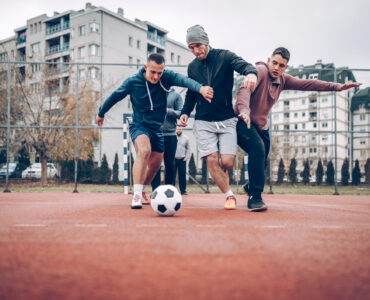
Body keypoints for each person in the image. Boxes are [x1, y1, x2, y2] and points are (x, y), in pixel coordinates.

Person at [235, 47, 362, 212]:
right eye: (274, 63)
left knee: (262, 159)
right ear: (268, 61)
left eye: (281, 65)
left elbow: (309, 84)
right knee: (257, 150)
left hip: (260, 126)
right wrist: (244, 110)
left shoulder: (283, 80)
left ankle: (251, 186)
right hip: (242, 121)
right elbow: (244, 91)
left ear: (285, 67)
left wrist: (337, 87)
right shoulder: (260, 71)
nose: (276, 68)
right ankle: (255, 198)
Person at [97, 53, 213, 209]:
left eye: (160, 72)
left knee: (154, 166)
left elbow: (184, 80)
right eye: (153, 72)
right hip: (139, 126)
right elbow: (115, 96)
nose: (156, 76)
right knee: (144, 151)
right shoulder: (133, 82)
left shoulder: (166, 77)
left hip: (157, 129)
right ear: (146, 68)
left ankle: (141, 188)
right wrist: (101, 112)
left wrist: (200, 88)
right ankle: (136, 195)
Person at [179, 25, 258, 210]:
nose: (195, 51)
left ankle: (223, 175)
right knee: (211, 160)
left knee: (227, 162)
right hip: (203, 121)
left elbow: (245, 66)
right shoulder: (192, 67)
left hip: (226, 119)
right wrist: (185, 112)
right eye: (191, 47)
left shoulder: (225, 57)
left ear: (205, 41)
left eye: (198, 45)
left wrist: (252, 73)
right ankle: (229, 196)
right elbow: (191, 94)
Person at [151, 89, 184, 191]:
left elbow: (181, 113)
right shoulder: (153, 93)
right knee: (155, 164)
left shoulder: (176, 96)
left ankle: (170, 190)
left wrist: (167, 110)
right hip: (155, 134)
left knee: (170, 164)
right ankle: (155, 191)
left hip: (170, 135)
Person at [174, 126, 191, 195]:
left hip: (182, 159)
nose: (179, 130)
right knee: (172, 176)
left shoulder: (186, 138)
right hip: (173, 159)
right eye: (177, 129)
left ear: (182, 130)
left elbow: (188, 149)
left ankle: (183, 190)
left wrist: (187, 157)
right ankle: (172, 190)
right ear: (175, 130)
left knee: (182, 176)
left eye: (180, 129)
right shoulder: (172, 138)